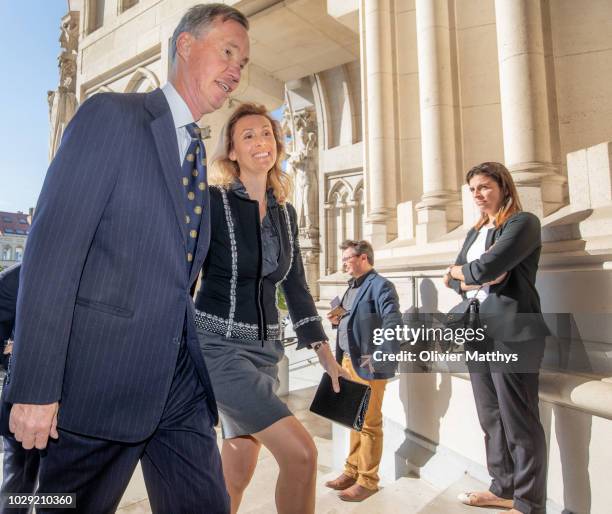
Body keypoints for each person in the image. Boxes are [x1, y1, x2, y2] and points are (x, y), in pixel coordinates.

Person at [2, 4, 250, 513]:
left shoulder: (199, 157)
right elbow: (53, 255)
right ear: (185, 45)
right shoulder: (111, 117)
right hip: (94, 392)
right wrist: (34, 386)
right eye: (228, 52)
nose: (235, 71)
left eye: (243, 64)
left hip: (177, 387)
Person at [194, 102, 349, 514]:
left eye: (266, 133)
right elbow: (184, 274)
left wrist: (324, 352)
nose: (261, 141)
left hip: (266, 354)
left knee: (237, 472)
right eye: (248, 135)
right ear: (231, 150)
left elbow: (296, 288)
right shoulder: (212, 202)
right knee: (301, 455)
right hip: (218, 350)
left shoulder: (285, 214)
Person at [444, 162, 550, 514]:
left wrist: (475, 272)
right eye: (473, 188)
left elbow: (484, 270)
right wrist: (471, 274)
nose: (478, 193)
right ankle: (503, 487)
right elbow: (455, 276)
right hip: (478, 333)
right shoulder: (476, 232)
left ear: (504, 187)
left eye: (485, 186)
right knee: (491, 417)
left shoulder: (522, 223)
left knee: (519, 420)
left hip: (512, 333)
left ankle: (528, 502)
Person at [324, 239, 402, 502]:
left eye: (348, 258)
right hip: (347, 362)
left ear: (363, 258)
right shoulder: (351, 287)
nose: (344, 263)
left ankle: (368, 480)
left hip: (368, 364)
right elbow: (353, 320)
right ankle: (352, 470)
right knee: (354, 420)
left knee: (369, 423)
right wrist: (338, 319)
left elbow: (393, 321)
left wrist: (378, 358)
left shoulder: (381, 286)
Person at [0, 264, 40, 514]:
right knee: (18, 490)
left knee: (61, 496)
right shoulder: (14, 279)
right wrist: (12, 353)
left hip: (72, 415)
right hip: (22, 407)